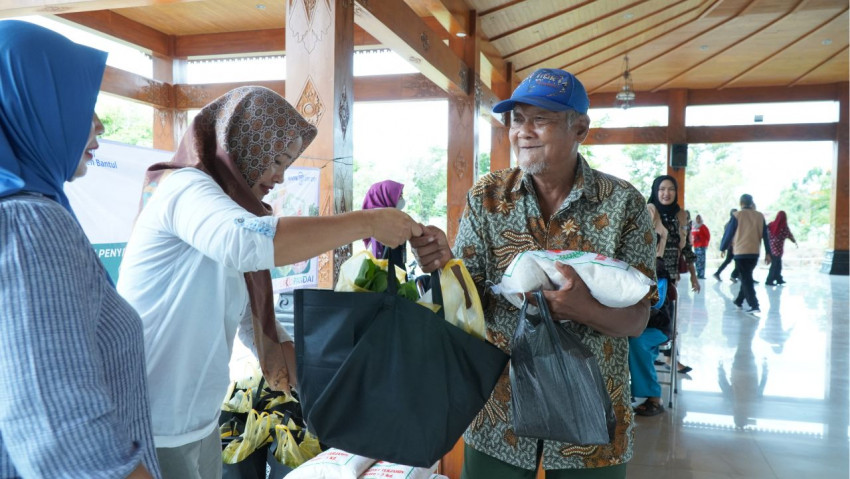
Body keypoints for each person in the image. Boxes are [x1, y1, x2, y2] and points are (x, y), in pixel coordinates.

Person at [116, 86, 421, 479]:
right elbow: (247, 242)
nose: (280, 177)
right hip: (151, 422)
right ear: (242, 145)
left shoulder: (230, 208)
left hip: (200, 420)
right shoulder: (185, 189)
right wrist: (366, 222)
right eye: (276, 160)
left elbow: (249, 320)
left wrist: (322, 383)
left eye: (288, 164)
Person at [411, 68, 655, 479]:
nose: (523, 131)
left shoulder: (622, 203)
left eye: (540, 119)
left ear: (580, 127)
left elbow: (638, 319)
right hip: (500, 407)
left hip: (591, 415)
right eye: (516, 119)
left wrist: (582, 308)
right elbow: (468, 299)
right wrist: (441, 262)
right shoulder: (487, 196)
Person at [0, 21, 160, 478]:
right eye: (83, 105)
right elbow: (63, 436)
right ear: (29, 106)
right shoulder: (27, 225)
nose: (99, 124)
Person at [646, 175, 698, 377]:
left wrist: (693, 275)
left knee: (669, 316)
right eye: (661, 189)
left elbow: (687, 247)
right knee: (652, 315)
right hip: (650, 274)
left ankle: (669, 356)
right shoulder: (648, 211)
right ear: (655, 191)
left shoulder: (683, 216)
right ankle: (657, 356)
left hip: (671, 276)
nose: (666, 193)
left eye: (670, 189)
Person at [719, 194, 771, 314]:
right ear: (751, 202)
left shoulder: (737, 215)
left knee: (746, 278)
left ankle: (754, 305)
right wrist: (768, 252)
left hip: (741, 252)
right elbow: (765, 236)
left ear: (741, 203)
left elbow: (729, 233)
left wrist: (723, 247)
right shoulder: (759, 216)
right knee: (747, 276)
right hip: (754, 252)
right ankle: (739, 301)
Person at [362, 180, 407, 267]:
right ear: (386, 197)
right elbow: (379, 259)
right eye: (399, 196)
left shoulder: (392, 220)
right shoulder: (379, 223)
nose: (402, 199)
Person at [765, 210, 796, 285]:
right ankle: (769, 280)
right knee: (775, 265)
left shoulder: (771, 225)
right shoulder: (784, 227)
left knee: (777, 264)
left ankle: (778, 278)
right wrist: (794, 241)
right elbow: (790, 235)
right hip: (778, 249)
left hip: (771, 248)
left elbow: (765, 231)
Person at [713, 209, 739, 282]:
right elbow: (727, 236)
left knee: (730, 260)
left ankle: (718, 273)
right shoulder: (732, 224)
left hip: (732, 245)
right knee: (736, 260)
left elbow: (726, 236)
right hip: (733, 245)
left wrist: (724, 247)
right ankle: (733, 275)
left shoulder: (728, 224)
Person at [691, 214, 710, 279]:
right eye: (697, 218)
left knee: (701, 261)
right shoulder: (693, 227)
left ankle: (701, 275)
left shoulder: (703, 227)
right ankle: (698, 274)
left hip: (701, 246)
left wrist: (706, 243)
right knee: (696, 260)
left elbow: (708, 236)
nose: (698, 220)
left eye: (699, 218)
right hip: (695, 246)